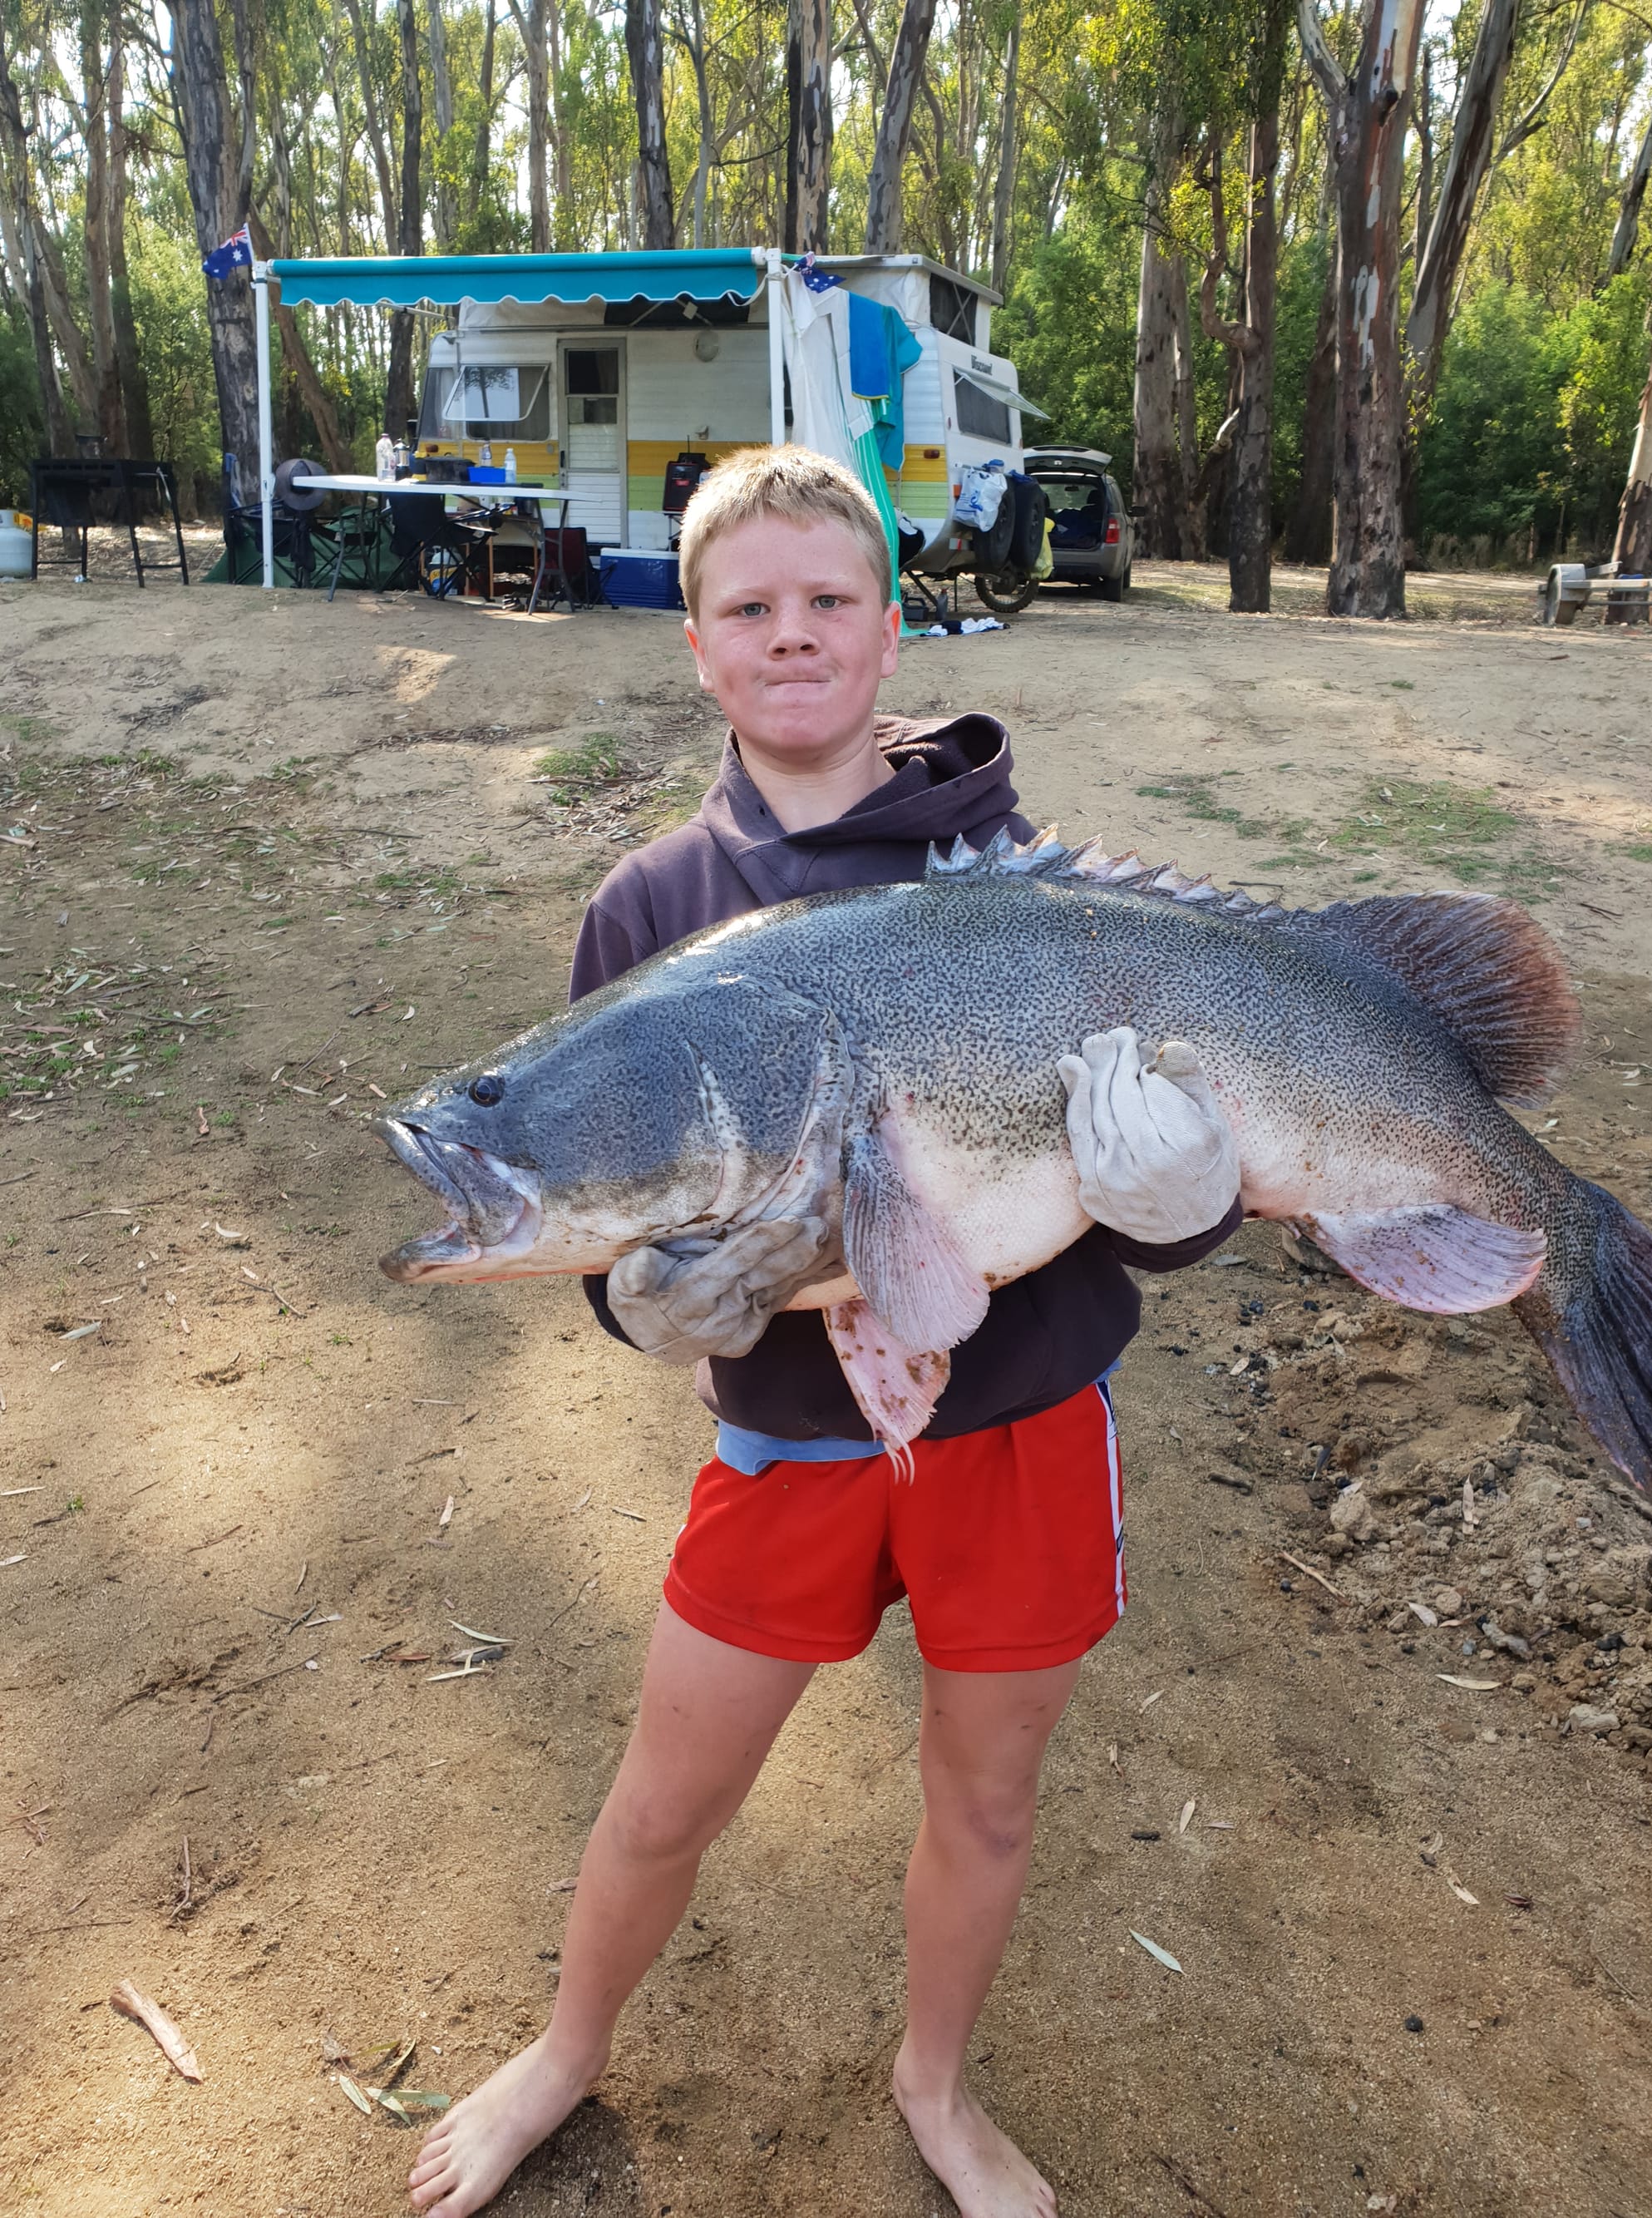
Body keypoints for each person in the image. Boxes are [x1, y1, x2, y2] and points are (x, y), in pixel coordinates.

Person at [408, 447, 1241, 2218]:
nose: (791, 635)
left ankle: (933, 2083)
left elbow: (1184, 1151)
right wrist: (637, 1300)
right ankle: (565, 2043)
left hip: (1021, 1424)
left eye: (828, 600)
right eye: (747, 607)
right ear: (696, 646)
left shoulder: (1015, 880)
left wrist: (1190, 1195)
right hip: (785, 1437)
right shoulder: (648, 909)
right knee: (659, 1798)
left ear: (889, 625)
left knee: (989, 1800)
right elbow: (599, 1198)